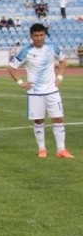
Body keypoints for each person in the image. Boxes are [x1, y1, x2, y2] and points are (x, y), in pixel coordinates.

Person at [8, 23, 73, 159]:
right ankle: (42, 149)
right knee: (38, 120)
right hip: (35, 93)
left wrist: (60, 76)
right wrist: (21, 82)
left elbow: (64, 61)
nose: (39, 38)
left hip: (52, 91)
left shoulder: (52, 47)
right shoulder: (26, 51)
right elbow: (11, 67)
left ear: (45, 35)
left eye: (41, 35)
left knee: (58, 118)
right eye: (36, 35)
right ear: (31, 36)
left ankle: (61, 150)